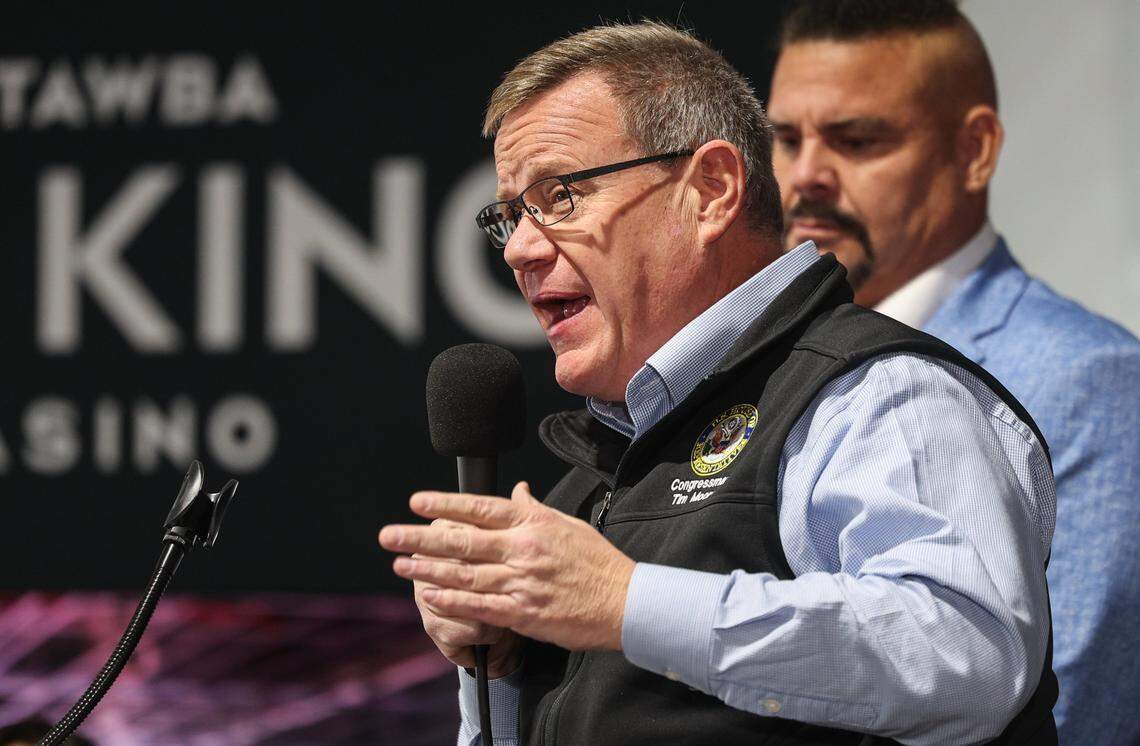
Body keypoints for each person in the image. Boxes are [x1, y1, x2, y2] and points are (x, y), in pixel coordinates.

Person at [380, 21, 1059, 744]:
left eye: (561, 196)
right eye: (510, 215)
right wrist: (501, 666)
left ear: (711, 190)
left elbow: (968, 655)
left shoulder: (880, 398)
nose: (518, 248)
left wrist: (626, 602)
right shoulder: (585, 488)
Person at [767, 2, 1140, 743]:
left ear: (974, 150)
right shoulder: (755, 368)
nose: (805, 176)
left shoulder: (1091, 382)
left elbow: (1072, 715)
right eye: (784, 139)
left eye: (857, 139)